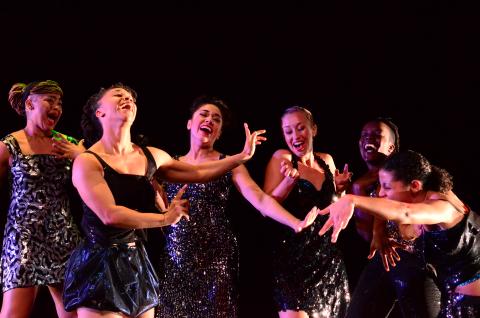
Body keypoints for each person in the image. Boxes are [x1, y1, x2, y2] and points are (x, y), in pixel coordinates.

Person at [61, 84, 277, 318]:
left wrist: (241, 157)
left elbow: (197, 173)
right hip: (100, 265)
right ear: (99, 112)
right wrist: (165, 218)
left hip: (137, 264)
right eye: (118, 95)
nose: (127, 99)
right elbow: (110, 215)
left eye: (131, 98)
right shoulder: (87, 161)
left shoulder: (150, 155)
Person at [152, 96, 317, 318]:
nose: (210, 120)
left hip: (216, 259)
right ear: (190, 123)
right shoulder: (168, 165)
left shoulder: (230, 163)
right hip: (176, 257)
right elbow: (159, 214)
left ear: (219, 132)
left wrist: (295, 222)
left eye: (216, 119)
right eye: (204, 114)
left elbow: (259, 198)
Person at [319, 150, 480, 317]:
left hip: (471, 307)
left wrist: (352, 199)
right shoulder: (424, 198)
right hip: (453, 303)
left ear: (415, 186)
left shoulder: (443, 208)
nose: (381, 193)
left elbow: (405, 212)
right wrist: (382, 233)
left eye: (387, 187)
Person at [0, 80, 85, 318]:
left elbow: (99, 175)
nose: (56, 107)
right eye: (50, 100)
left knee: (73, 314)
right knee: (14, 314)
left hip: (62, 235)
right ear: (29, 104)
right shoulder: (10, 145)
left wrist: (82, 156)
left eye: (60, 102)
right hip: (23, 237)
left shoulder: (67, 144)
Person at [346, 118, 440, 318]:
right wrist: (356, 189)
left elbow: (399, 210)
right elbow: (367, 238)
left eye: (376, 135)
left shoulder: (406, 173)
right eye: (364, 135)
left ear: (392, 147)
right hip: (385, 257)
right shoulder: (362, 184)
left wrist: (379, 229)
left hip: (416, 257)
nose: (368, 139)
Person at [263, 106, 351, 318]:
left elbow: (332, 210)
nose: (294, 135)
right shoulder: (282, 157)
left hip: (328, 260)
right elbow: (266, 208)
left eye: (300, 128)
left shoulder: (327, 161)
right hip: (293, 263)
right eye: (288, 131)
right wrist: (288, 181)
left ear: (314, 130)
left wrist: (340, 190)